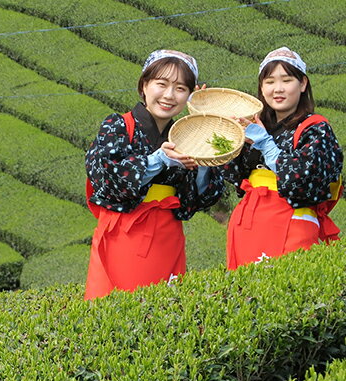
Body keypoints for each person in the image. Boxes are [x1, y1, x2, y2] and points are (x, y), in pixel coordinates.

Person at [84, 50, 225, 300]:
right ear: (144, 86)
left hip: (167, 236)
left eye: (180, 88)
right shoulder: (117, 126)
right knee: (119, 310)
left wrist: (204, 145)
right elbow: (110, 180)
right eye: (161, 84)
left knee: (163, 314)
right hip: (124, 233)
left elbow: (203, 197)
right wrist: (158, 160)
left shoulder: (184, 136)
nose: (169, 95)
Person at [223, 47, 343, 270]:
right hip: (249, 222)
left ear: (303, 84)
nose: (277, 89)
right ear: (261, 87)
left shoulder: (316, 128)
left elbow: (301, 179)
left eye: (286, 80)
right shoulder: (256, 127)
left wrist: (266, 144)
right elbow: (234, 174)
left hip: (292, 222)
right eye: (269, 82)